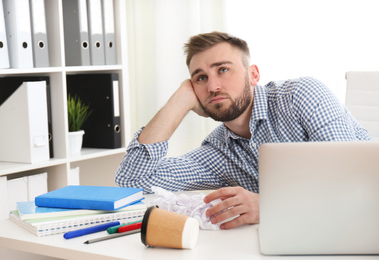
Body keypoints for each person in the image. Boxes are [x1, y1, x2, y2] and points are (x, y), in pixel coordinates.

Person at [115, 31, 371, 230]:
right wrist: (178, 102)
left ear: (253, 74)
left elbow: (355, 182)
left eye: (223, 69)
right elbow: (132, 182)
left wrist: (270, 207)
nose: (213, 86)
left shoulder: (300, 96)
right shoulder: (217, 152)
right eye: (200, 78)